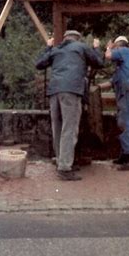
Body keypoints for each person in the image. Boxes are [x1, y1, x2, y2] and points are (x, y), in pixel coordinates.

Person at [35, 30, 104, 180]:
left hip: (54, 91)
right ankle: (65, 168)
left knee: (58, 128)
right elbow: (99, 62)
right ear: (77, 39)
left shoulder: (56, 49)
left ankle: (62, 163)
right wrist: (96, 48)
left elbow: (39, 64)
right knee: (69, 129)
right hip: (71, 90)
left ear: (64, 38)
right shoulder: (81, 47)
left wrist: (48, 47)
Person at [105, 35, 129, 170]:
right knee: (124, 121)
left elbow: (108, 56)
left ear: (118, 46)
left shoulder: (125, 51)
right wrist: (94, 87)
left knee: (126, 121)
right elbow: (110, 82)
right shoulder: (124, 65)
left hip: (127, 90)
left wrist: (109, 47)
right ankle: (125, 154)